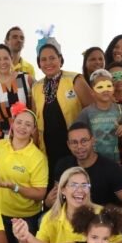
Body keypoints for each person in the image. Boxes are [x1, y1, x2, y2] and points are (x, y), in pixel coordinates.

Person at [0, 103, 48, 243]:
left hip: (25, 216)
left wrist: (14, 187)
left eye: (28, 124)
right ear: (12, 123)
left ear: (33, 130)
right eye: (19, 122)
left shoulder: (37, 158)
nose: (23, 127)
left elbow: (40, 193)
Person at [47, 122, 122, 216]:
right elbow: (55, 200)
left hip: (101, 220)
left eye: (84, 141)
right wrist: (49, 202)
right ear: (68, 145)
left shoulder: (111, 168)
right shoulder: (63, 165)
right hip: (70, 218)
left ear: (93, 141)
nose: (79, 146)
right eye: (74, 142)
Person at [32, 38, 94, 171]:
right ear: (39, 63)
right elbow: (34, 122)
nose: (48, 62)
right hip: (47, 150)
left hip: (76, 147)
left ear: (60, 60)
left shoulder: (75, 79)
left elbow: (94, 112)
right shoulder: (36, 87)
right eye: (43, 59)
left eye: (52, 58)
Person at [75, 69, 122, 164]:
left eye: (108, 86)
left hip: (115, 163)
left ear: (113, 88)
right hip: (93, 163)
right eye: (100, 87)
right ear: (92, 92)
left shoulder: (120, 110)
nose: (105, 90)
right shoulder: (85, 113)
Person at [0, 44, 34, 140]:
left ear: (11, 58)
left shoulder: (26, 79)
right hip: (1, 140)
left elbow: (36, 109)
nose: (3, 62)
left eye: (5, 58)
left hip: (27, 137)